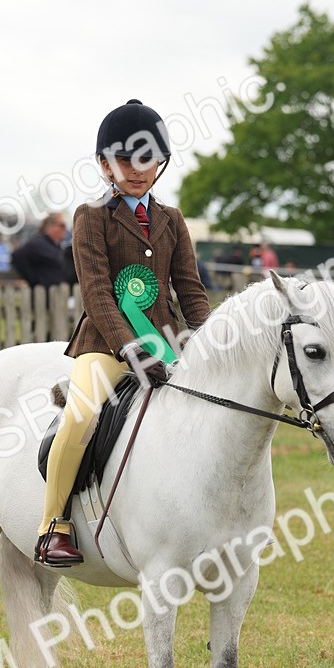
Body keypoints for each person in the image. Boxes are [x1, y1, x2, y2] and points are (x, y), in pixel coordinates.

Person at [35, 99, 211, 566]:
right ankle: (54, 523)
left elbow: (190, 290)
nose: (139, 170)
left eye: (149, 159)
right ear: (104, 164)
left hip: (169, 346)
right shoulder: (91, 216)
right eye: (126, 160)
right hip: (107, 346)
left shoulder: (172, 220)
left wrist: (210, 338)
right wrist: (129, 346)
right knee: (81, 417)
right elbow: (96, 294)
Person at [11, 213, 69, 291]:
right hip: (41, 297)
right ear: (50, 226)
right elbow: (17, 255)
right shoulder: (38, 243)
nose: (65, 229)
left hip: (54, 296)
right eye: (62, 225)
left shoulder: (54, 245)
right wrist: (34, 281)